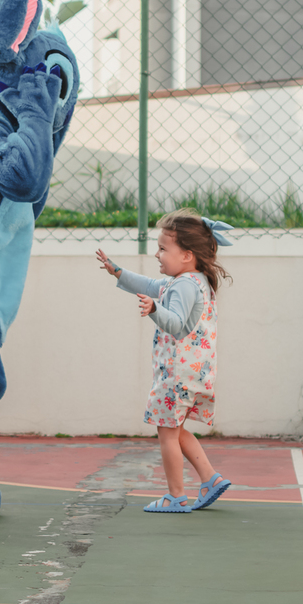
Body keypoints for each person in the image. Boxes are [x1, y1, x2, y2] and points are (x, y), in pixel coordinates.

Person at [96, 209, 234, 512]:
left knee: (167, 433)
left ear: (186, 255)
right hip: (192, 372)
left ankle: (176, 496)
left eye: (162, 248)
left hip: (176, 374)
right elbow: (149, 285)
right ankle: (210, 478)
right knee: (177, 430)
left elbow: (177, 325)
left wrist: (155, 310)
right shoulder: (192, 281)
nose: (157, 254)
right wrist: (117, 272)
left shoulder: (184, 285)